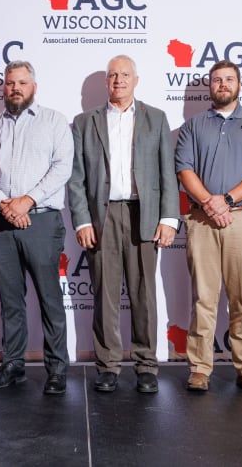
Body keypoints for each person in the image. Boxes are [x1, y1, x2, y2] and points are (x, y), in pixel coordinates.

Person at [68, 55, 179, 394]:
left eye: (125, 74)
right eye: (113, 75)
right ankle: (108, 366)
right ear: (106, 82)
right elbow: (76, 179)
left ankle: (146, 365)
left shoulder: (156, 118)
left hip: (142, 214)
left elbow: (166, 173)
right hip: (102, 217)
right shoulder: (84, 122)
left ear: (136, 79)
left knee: (144, 293)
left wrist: (169, 218)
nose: (118, 80)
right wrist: (82, 220)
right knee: (105, 294)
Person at [174, 60, 242, 393]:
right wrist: (210, 203)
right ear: (210, 85)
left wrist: (227, 200)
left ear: (239, 84)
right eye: (217, 80)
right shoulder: (193, 125)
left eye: (228, 79)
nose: (222, 84)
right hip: (202, 220)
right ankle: (200, 368)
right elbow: (184, 171)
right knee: (203, 298)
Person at [0, 60, 73, 395]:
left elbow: (62, 168)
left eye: (22, 83)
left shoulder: (54, 121)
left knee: (49, 297)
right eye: (10, 83)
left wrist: (26, 201)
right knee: (10, 299)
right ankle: (13, 365)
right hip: (3, 222)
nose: (15, 88)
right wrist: (6, 205)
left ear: (34, 86)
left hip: (42, 220)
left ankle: (57, 368)